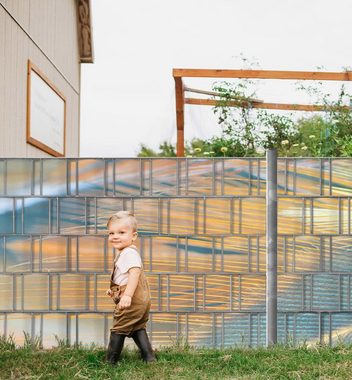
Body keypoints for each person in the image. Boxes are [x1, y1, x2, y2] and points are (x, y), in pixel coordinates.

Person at [105, 211, 155, 364]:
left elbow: (134, 274)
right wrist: (115, 291)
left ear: (133, 236)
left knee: (119, 328)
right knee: (137, 327)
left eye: (121, 232)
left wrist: (126, 295)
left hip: (133, 299)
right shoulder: (125, 252)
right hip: (140, 300)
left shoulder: (129, 254)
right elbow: (124, 277)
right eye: (111, 232)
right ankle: (149, 357)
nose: (115, 236)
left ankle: (110, 361)